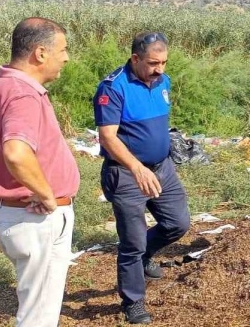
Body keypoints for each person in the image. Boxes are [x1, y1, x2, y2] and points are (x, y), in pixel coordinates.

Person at [0, 17, 79, 327]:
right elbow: (16, 152)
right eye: (63, 49)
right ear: (40, 53)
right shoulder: (22, 93)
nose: (66, 57)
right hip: (36, 216)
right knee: (38, 318)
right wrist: (47, 195)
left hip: (17, 214)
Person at [94, 32, 190, 324]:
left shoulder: (163, 81)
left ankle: (145, 255)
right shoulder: (113, 87)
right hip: (126, 174)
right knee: (131, 242)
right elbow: (108, 137)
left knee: (178, 223)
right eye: (152, 63)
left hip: (161, 168)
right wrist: (136, 167)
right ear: (135, 59)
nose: (159, 69)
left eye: (163, 62)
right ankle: (133, 301)